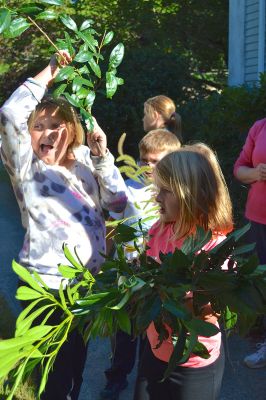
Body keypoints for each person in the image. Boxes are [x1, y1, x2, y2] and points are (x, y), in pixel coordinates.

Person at [0, 51, 127, 400]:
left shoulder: (86, 161)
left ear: (71, 129)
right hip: (48, 289)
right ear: (29, 135)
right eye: (38, 126)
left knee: (75, 368)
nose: (49, 133)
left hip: (85, 288)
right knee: (53, 378)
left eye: (57, 125)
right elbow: (10, 113)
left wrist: (103, 157)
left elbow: (118, 208)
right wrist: (52, 71)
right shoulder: (26, 166)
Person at [134, 147, 233, 400]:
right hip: (155, 351)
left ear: (191, 194)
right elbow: (146, 265)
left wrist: (164, 297)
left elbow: (210, 308)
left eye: (166, 191)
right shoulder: (160, 229)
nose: (157, 198)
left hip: (193, 365)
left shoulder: (215, 248)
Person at [100, 129, 181, 400]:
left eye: (157, 161)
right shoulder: (127, 188)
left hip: (158, 277)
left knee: (154, 335)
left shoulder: (180, 195)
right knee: (124, 330)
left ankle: (150, 381)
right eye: (145, 159)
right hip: (128, 273)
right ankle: (117, 376)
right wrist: (103, 261)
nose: (148, 166)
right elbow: (112, 226)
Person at [234, 119, 266, 368]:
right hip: (257, 219)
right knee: (262, 285)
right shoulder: (259, 127)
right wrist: (256, 174)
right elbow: (239, 168)